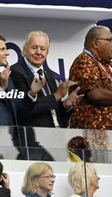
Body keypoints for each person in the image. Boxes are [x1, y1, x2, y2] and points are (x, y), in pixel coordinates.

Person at [10, 30, 82, 160]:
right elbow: (22, 110)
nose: (38, 52)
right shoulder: (16, 72)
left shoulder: (47, 73)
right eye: (34, 47)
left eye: (43, 49)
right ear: (24, 50)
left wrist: (65, 105)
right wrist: (56, 95)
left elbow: (51, 108)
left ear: (47, 53)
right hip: (33, 142)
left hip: (55, 141)